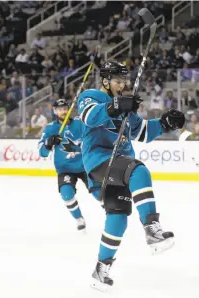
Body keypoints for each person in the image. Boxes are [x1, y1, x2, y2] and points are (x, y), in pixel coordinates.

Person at [77, 62, 185, 290]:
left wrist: (165, 124)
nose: (122, 84)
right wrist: (115, 105)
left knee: (118, 217)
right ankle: (152, 228)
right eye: (117, 80)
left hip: (117, 165)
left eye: (123, 81)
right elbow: (88, 117)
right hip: (99, 162)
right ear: (105, 81)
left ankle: (101, 269)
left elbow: (142, 132)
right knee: (139, 170)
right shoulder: (91, 96)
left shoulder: (125, 105)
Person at [38, 98, 88, 231]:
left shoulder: (79, 123)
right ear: (55, 111)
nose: (63, 111)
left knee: (100, 192)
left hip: (85, 166)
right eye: (60, 109)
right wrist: (48, 143)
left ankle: (112, 214)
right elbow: (41, 152)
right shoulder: (50, 128)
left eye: (65, 108)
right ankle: (79, 218)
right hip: (65, 169)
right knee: (66, 194)